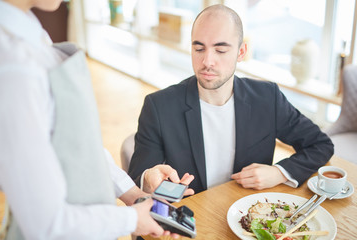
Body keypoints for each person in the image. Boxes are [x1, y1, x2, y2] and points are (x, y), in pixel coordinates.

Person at [0, 0, 193, 239]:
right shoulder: (12, 68)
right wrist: (132, 220)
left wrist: (133, 194)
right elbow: (46, 223)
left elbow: (76, 141)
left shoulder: (29, 31)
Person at [128, 4, 334, 194]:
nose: (207, 61)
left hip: (247, 217)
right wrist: (147, 181)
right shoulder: (158, 106)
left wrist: (279, 172)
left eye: (220, 50)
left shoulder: (267, 98)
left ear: (241, 52)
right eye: (199, 48)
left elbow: (320, 145)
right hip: (193, 221)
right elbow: (138, 178)